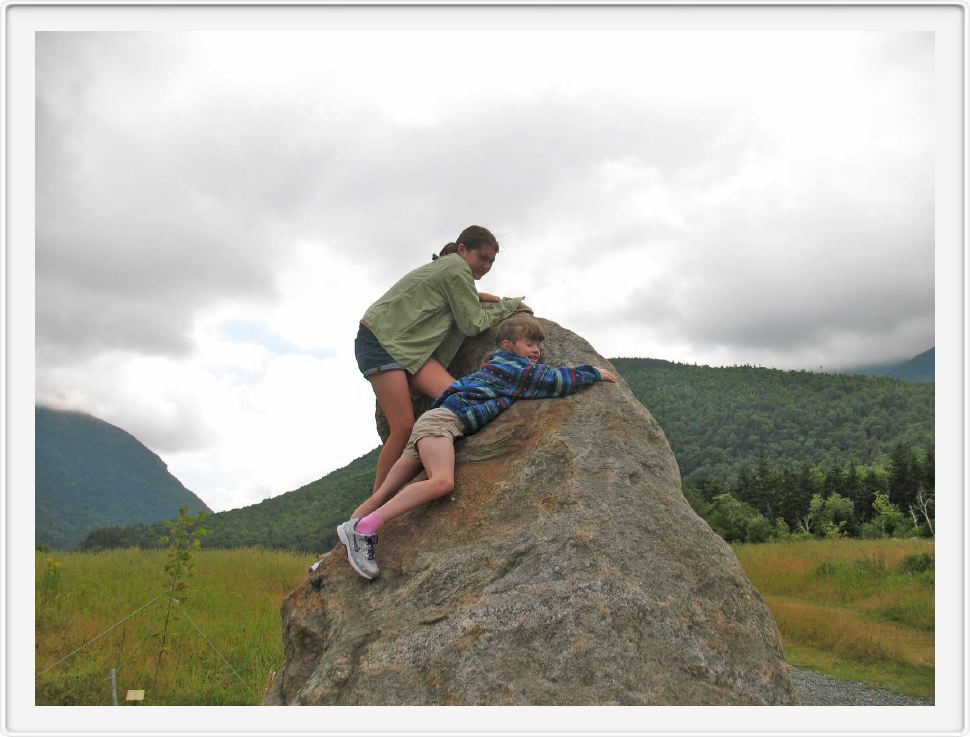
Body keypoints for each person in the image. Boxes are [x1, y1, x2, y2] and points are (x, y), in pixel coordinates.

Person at [331, 315, 619, 580]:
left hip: (431, 423)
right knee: (442, 481)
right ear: (508, 345)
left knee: (383, 493)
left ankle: (333, 559)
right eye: (530, 343)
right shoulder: (515, 368)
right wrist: (592, 372)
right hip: (442, 424)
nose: (537, 350)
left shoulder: (493, 365)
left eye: (539, 345)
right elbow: (554, 381)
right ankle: (364, 529)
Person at [355, 225, 528, 495]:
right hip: (381, 341)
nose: (486, 265)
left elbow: (448, 296)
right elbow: (473, 323)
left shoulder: (455, 272)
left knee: (462, 399)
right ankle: (375, 503)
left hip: (409, 348)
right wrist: (509, 305)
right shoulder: (455, 268)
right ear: (462, 250)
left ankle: (426, 474)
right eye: (482, 257)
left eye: (491, 261)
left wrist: (478, 297)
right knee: (403, 427)